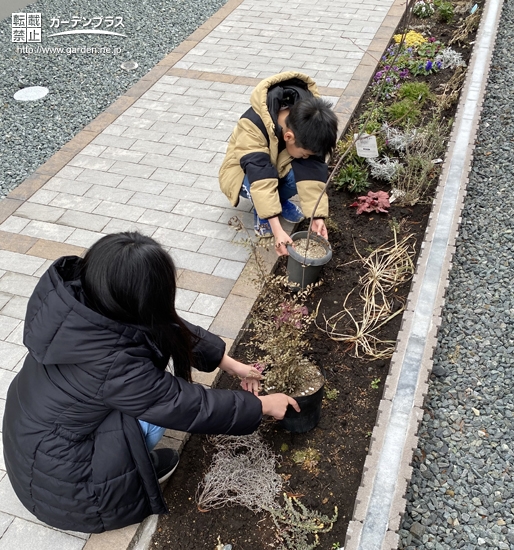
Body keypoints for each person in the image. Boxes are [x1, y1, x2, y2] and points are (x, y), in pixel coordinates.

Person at [2, 232, 299, 534]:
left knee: (146, 398)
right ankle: (134, 472)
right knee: (153, 415)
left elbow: (165, 325)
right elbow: (184, 406)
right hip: (66, 486)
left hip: (34, 444)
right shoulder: (113, 363)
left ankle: (129, 460)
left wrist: (232, 364)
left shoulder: (81, 305)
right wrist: (261, 405)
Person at [219, 71, 339, 256]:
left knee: (301, 171)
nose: (306, 156)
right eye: (305, 153)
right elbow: (260, 175)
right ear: (289, 136)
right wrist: (277, 230)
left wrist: (317, 216)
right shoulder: (253, 125)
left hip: (276, 167)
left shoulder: (312, 123)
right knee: (256, 181)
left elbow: (313, 170)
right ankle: (264, 213)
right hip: (243, 173)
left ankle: (279, 202)